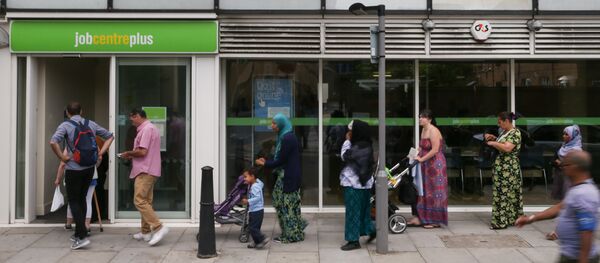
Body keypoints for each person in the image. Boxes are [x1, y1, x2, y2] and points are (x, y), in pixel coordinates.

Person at [49, 102, 114, 250]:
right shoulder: (90, 123)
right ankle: (79, 233)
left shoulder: (65, 125)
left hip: (73, 169)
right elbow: (110, 136)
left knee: (74, 201)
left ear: (67, 112)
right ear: (82, 111)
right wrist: (101, 152)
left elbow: (53, 141)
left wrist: (62, 157)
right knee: (83, 199)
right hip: (89, 169)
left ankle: (82, 236)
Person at [516, 151, 599, 263]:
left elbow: (587, 232)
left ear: (575, 167)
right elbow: (560, 208)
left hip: (577, 258)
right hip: (569, 254)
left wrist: (583, 260)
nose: (562, 168)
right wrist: (531, 219)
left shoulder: (584, 194)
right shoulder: (577, 189)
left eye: (564, 165)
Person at [119, 108, 169, 246]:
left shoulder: (146, 129)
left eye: (133, 117)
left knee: (139, 200)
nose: (131, 120)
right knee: (146, 201)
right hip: (149, 169)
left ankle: (159, 227)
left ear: (139, 116)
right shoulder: (149, 128)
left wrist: (128, 153)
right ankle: (146, 232)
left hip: (145, 170)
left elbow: (142, 152)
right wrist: (131, 154)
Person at [255, 113, 307, 243]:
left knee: (286, 205)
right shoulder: (284, 136)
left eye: (274, 123)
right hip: (286, 176)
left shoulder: (287, 138)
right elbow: (281, 158)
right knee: (281, 202)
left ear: (281, 124)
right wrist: (267, 160)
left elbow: (281, 160)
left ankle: (291, 235)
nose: (272, 126)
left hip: (288, 177)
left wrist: (265, 163)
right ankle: (295, 229)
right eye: (272, 123)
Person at [408, 110, 448, 229]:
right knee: (425, 190)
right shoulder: (424, 130)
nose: (420, 119)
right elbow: (421, 147)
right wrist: (412, 155)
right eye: (420, 117)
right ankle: (424, 217)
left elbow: (435, 150)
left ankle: (435, 220)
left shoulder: (433, 130)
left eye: (423, 117)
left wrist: (421, 159)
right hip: (426, 163)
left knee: (435, 191)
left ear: (429, 119)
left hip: (436, 164)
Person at [339, 119, 376, 251]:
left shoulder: (358, 146)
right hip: (364, 184)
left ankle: (353, 240)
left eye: (351, 131)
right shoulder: (367, 145)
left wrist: (347, 141)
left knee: (353, 212)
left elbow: (345, 156)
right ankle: (371, 230)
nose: (349, 133)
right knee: (363, 212)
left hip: (353, 184)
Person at [485, 111, 523, 230]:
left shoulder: (515, 132)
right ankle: (510, 218)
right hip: (502, 167)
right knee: (507, 193)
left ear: (507, 121)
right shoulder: (505, 132)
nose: (499, 125)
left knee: (503, 194)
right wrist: (494, 138)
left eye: (500, 122)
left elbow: (507, 148)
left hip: (508, 168)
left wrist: (493, 143)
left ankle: (500, 222)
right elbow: (504, 143)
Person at [547, 125, 583, 240]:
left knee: (567, 204)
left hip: (571, 180)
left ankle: (558, 232)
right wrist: (561, 163)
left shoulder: (577, 150)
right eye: (563, 133)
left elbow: (574, 166)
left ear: (573, 136)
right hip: (562, 177)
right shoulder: (563, 147)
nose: (564, 136)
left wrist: (561, 163)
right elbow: (553, 160)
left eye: (566, 134)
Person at [54, 147, 97, 233]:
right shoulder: (92, 142)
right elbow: (99, 157)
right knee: (87, 200)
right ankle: (87, 225)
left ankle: (69, 223)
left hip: (73, 175)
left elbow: (63, 164)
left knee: (73, 200)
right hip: (91, 175)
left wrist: (58, 178)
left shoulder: (70, 145)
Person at [241, 168, 270, 249]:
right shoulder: (257, 183)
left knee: (252, 227)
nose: (244, 179)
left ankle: (263, 238)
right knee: (254, 227)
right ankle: (257, 242)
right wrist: (256, 179)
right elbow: (262, 184)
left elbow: (258, 198)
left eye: (246, 177)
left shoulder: (254, 186)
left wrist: (248, 201)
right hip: (255, 210)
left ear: (252, 176)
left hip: (256, 211)